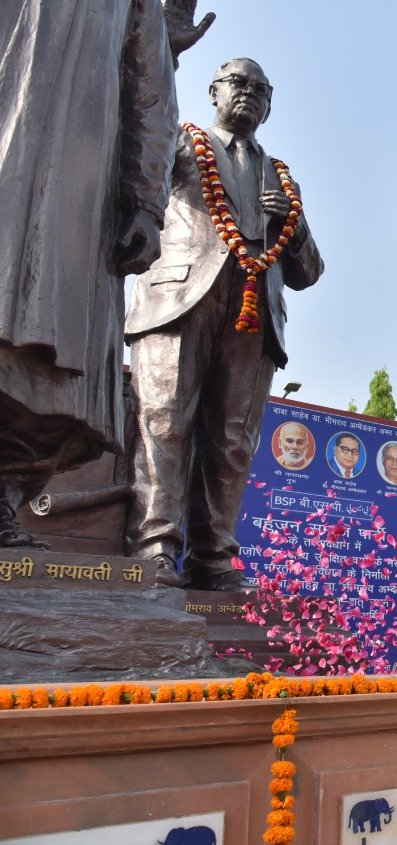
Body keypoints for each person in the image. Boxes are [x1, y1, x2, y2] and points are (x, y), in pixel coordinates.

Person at [125, 57, 323, 590]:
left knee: (234, 440)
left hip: (253, 313)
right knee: (165, 420)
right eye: (239, 83)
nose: (250, 94)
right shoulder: (180, 142)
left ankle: (213, 556)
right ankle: (154, 546)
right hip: (180, 298)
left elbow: (309, 271)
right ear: (213, 90)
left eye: (263, 89)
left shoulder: (281, 175)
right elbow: (135, 188)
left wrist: (293, 225)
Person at [0, 0, 188, 547]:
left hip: (79, 197)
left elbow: (150, 95)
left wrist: (147, 204)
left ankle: (5, 498)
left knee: (52, 368)